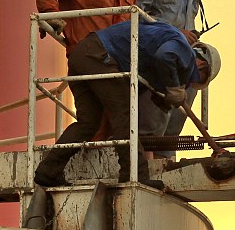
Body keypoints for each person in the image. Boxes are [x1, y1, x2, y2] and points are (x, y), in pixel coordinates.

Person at [32, 18, 220, 190]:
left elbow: (149, 78)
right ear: (202, 64)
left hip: (82, 55)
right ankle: (134, 175)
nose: (188, 82)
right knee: (126, 116)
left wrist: (164, 98)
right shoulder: (183, 48)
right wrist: (174, 86)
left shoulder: (161, 41)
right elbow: (165, 57)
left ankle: (48, 171)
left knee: (88, 124)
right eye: (198, 79)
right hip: (100, 57)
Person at [131, 0, 219, 156]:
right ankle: (144, 166)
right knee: (150, 127)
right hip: (155, 62)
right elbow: (132, 18)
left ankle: (164, 165)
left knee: (172, 129)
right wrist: (175, 32)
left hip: (182, 63)